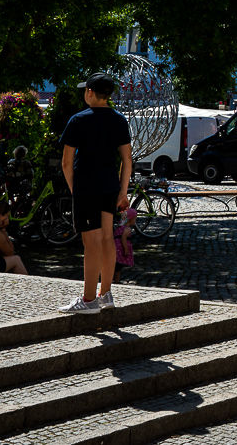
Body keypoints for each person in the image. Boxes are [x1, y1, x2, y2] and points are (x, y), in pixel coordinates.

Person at [58, 75, 133, 313]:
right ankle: (106, 293)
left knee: (90, 243)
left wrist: (74, 190)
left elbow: (66, 163)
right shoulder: (119, 120)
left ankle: (89, 299)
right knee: (107, 238)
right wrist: (123, 191)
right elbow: (127, 160)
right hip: (110, 186)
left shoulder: (78, 120)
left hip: (87, 187)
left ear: (89, 92)